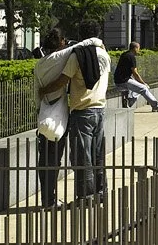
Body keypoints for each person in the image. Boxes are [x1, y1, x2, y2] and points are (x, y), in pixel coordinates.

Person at [41, 19, 109, 202]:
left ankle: (85, 197)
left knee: (82, 157)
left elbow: (63, 81)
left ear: (81, 35)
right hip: (100, 109)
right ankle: (101, 193)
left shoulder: (77, 55)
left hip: (82, 111)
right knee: (97, 155)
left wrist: (43, 90)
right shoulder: (104, 53)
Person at [32, 27, 69, 209]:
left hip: (43, 114)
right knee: (55, 160)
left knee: (44, 159)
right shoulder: (61, 58)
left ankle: (46, 199)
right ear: (61, 42)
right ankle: (50, 200)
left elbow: (38, 91)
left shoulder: (39, 64)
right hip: (58, 116)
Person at [117, 41, 158, 112]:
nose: (139, 51)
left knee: (139, 89)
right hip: (124, 81)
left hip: (120, 79)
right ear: (135, 48)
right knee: (144, 88)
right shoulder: (131, 57)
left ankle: (128, 102)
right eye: (138, 48)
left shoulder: (124, 54)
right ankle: (156, 106)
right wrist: (143, 83)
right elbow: (135, 73)